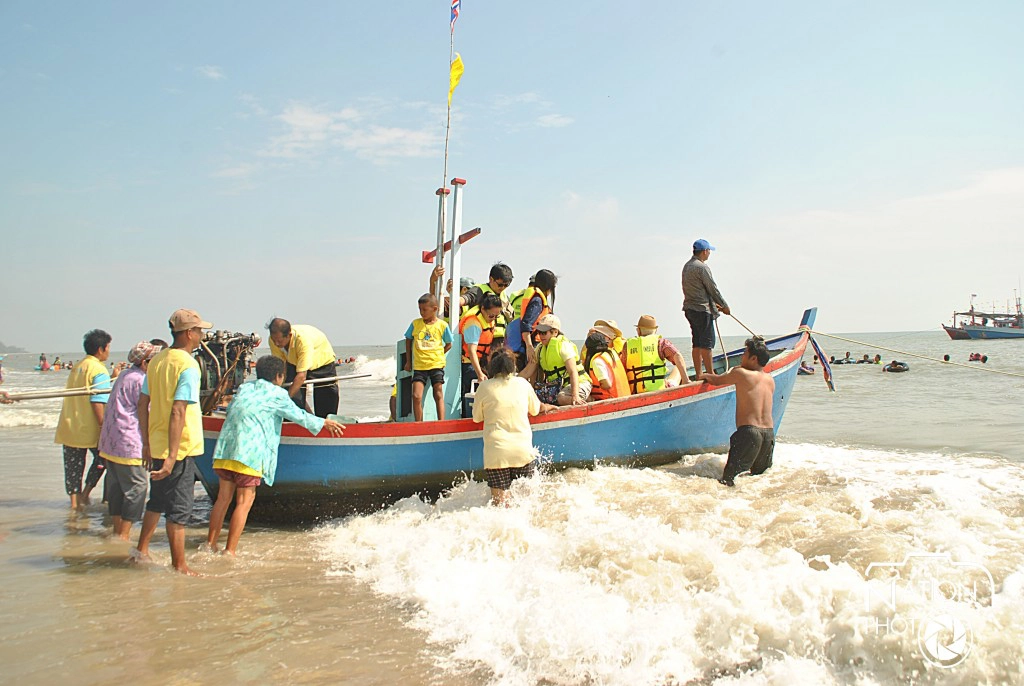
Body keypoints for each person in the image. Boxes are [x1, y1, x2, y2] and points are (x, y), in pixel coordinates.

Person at [206, 356, 345, 554]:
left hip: (225, 451)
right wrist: (324, 422)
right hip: (248, 455)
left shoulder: (245, 388)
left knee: (223, 499)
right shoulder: (277, 394)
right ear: (280, 376)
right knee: (244, 503)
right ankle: (230, 551)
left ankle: (210, 544)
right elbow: (299, 416)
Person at [133, 309, 212, 575]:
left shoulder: (157, 359)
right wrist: (171, 456)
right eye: (200, 331)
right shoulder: (188, 365)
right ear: (189, 333)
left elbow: (143, 403)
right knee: (179, 509)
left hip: (156, 442)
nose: (202, 336)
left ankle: (141, 550)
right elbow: (179, 410)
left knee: (157, 500)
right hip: (179, 447)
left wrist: (145, 443)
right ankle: (180, 566)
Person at [98, 339, 167, 540]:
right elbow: (148, 411)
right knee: (137, 488)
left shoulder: (124, 375)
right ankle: (124, 534)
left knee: (118, 489)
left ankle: (118, 532)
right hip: (129, 443)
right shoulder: (141, 380)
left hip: (111, 443)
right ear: (145, 363)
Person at [472, 349, 555, 506]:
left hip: (497, 453)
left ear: (492, 367)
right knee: (526, 503)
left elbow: (477, 418)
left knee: (500, 505)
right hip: (522, 450)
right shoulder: (523, 384)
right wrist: (548, 407)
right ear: (513, 367)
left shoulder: (484, 387)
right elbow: (535, 410)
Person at [702, 337, 775, 487]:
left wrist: (703, 376)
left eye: (745, 353)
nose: (741, 357)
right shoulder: (769, 379)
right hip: (768, 435)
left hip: (749, 433)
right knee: (758, 480)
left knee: (727, 481)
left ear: (753, 358)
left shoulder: (741, 373)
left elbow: (717, 380)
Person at [54, 329, 113, 510]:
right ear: (101, 349)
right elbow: (97, 401)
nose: (109, 351)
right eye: (108, 347)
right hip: (89, 427)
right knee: (103, 461)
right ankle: (86, 494)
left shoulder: (78, 366)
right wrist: (104, 427)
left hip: (69, 425)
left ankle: (74, 503)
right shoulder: (98, 369)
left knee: (72, 468)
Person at [267, 318, 339, 418]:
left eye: (279, 341)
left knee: (325, 404)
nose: (276, 344)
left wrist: (286, 398)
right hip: (294, 362)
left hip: (321, 362)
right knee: (293, 398)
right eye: (274, 340)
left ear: (289, 335)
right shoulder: (273, 340)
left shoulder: (303, 341)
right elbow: (281, 366)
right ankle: (305, 419)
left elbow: (301, 376)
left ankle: (323, 423)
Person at [682, 239, 730, 380]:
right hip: (702, 310)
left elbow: (697, 290)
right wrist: (725, 306)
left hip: (690, 309)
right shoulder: (702, 267)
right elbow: (712, 289)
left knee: (696, 342)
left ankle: (699, 374)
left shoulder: (687, 266)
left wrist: (715, 305)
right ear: (704, 251)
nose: (709, 253)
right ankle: (710, 374)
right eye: (709, 251)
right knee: (707, 343)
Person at [520, 314, 591, 406]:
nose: (541, 336)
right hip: (559, 387)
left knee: (561, 398)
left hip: (580, 383)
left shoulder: (564, 346)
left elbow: (573, 372)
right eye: (539, 332)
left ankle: (589, 399)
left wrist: (575, 395)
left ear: (555, 332)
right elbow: (528, 371)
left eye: (544, 332)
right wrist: (509, 381)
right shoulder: (540, 348)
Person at [404, 293, 453, 421]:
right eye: (420, 309)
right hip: (420, 365)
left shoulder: (442, 325)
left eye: (425, 310)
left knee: (438, 393)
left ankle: (441, 422)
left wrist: (439, 354)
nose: (422, 312)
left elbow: (449, 343)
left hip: (436, 364)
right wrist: (408, 361)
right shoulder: (415, 324)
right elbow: (408, 339)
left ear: (435, 309)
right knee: (416, 396)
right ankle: (419, 423)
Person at [621, 315, 692, 393]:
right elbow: (677, 356)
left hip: (635, 392)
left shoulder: (627, 345)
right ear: (656, 330)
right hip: (659, 390)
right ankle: (686, 381)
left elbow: (622, 368)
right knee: (677, 369)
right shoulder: (661, 343)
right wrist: (685, 380)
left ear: (638, 330)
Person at [459, 292, 501, 417]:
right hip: (469, 364)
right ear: (483, 309)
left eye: (496, 316)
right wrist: (479, 374)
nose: (493, 318)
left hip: (480, 361)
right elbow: (472, 351)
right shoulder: (474, 323)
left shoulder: (488, 319)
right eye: (491, 316)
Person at [508, 269, 557, 370]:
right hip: (533, 342)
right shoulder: (537, 300)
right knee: (532, 370)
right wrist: (529, 347)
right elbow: (526, 323)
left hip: (530, 341)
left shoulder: (534, 296)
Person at [460, 262, 515, 348]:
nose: (503, 287)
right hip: (480, 340)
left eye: (506, 285)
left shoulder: (504, 296)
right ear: (491, 279)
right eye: (500, 284)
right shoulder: (478, 290)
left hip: (500, 342)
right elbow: (465, 299)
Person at [581, 331, 630, 401]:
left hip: (612, 399)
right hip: (625, 396)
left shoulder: (597, 361)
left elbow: (607, 385)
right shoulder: (612, 354)